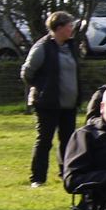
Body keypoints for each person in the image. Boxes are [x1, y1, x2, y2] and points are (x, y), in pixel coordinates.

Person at [21, 10, 81, 188]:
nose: (72, 29)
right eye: (69, 26)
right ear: (59, 27)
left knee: (68, 141)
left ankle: (66, 174)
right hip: (47, 104)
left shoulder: (72, 46)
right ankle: (37, 178)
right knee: (44, 141)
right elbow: (26, 72)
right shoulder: (42, 47)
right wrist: (42, 88)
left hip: (68, 104)